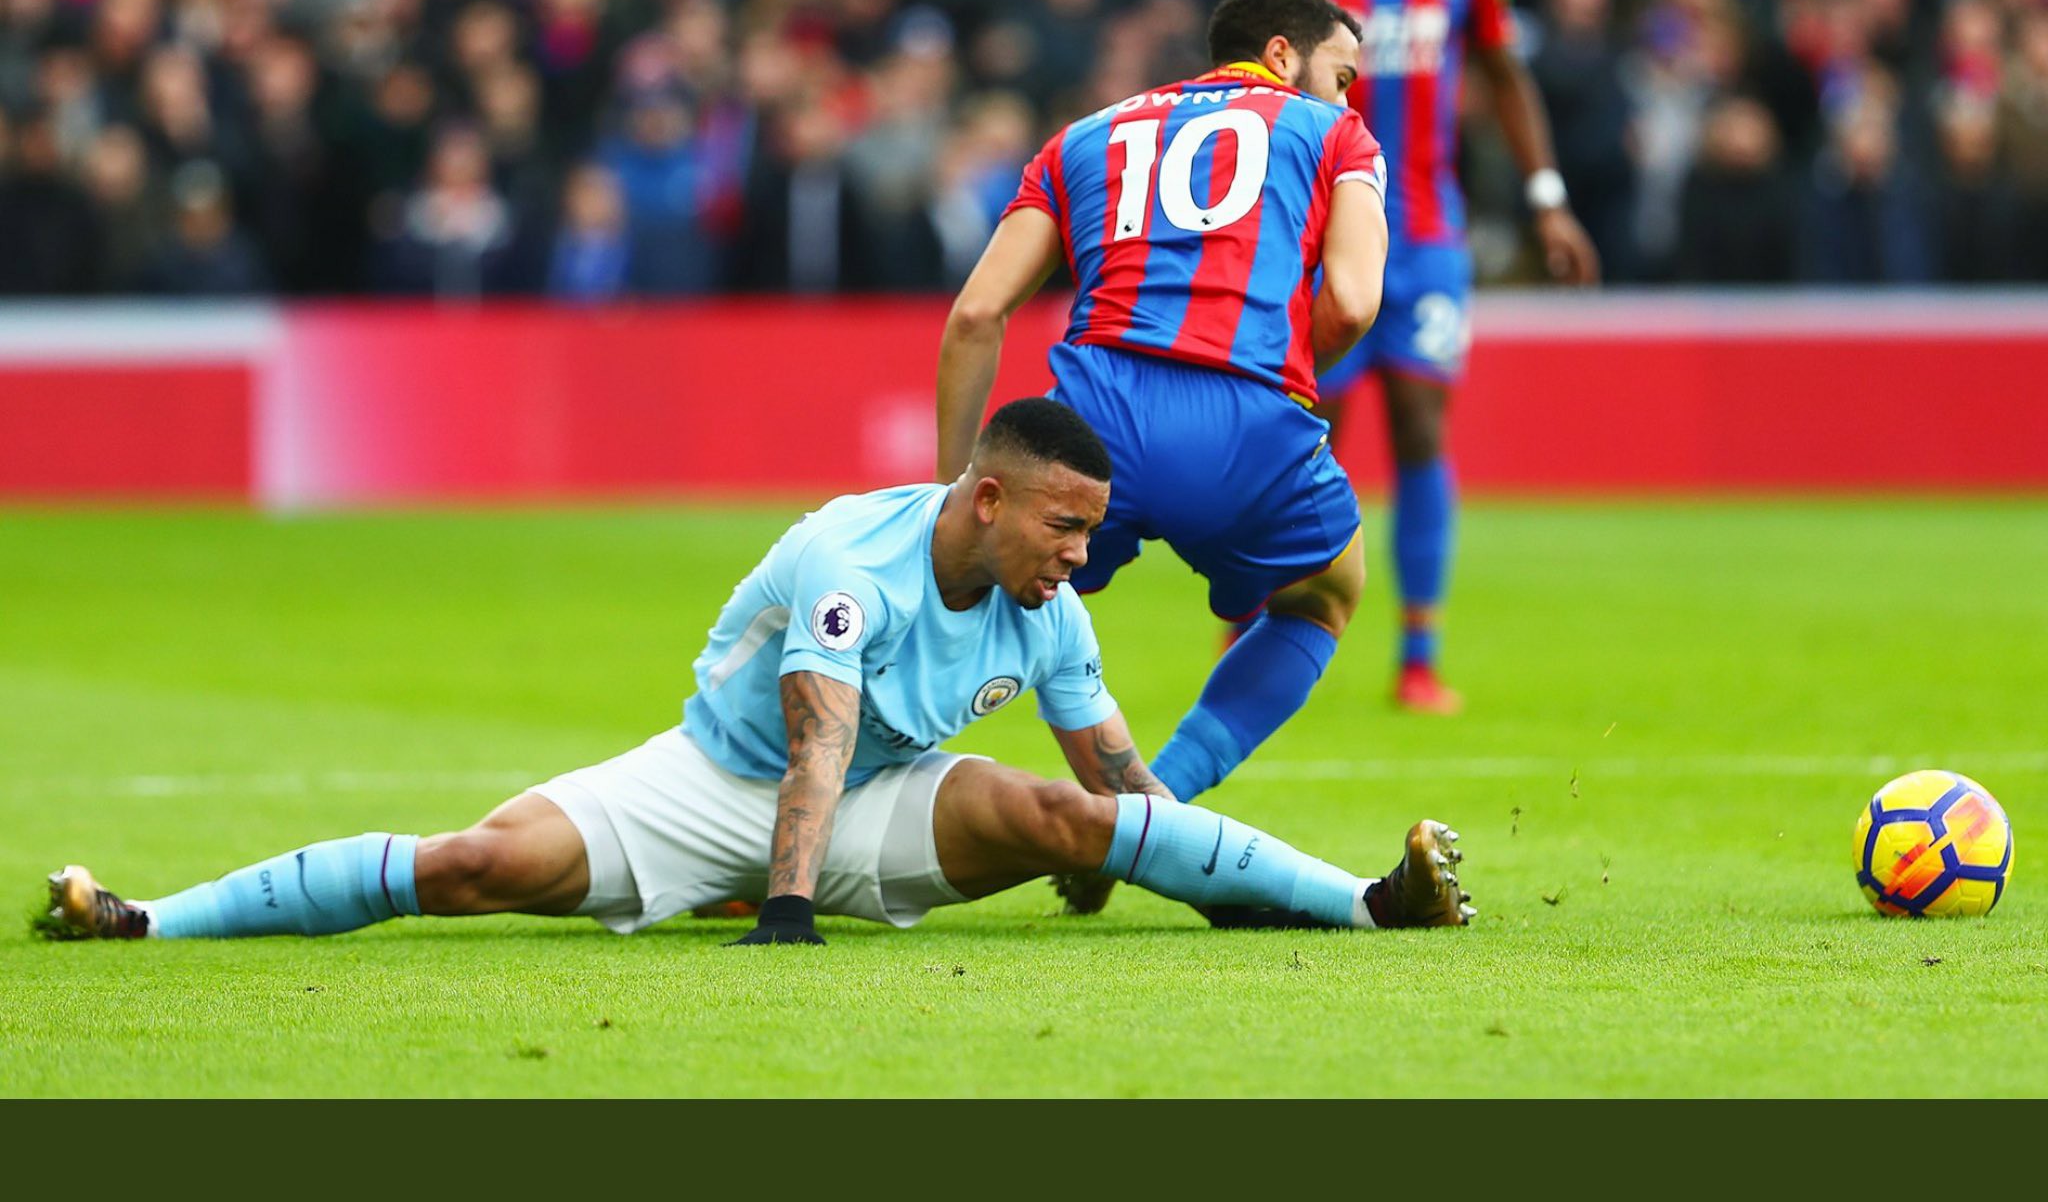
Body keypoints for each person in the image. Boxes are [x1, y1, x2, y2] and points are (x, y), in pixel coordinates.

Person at [39, 399, 1472, 947]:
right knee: (467, 865)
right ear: (983, 499)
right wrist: (784, 914)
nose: (1081, 556)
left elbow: (1124, 787)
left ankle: (1366, 903)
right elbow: (812, 748)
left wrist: (1179, 871)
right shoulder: (853, 561)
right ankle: (152, 921)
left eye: (1090, 533)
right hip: (716, 786)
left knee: (1063, 816)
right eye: (1063, 525)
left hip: (892, 800)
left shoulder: (1052, 601)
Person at [936, 0, 1388, 845]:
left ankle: (782, 815)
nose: (1347, 94)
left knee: (959, 598)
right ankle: (1157, 812)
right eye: (1342, 73)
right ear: (1283, 57)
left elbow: (975, 316)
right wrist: (1283, 374)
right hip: (1249, 419)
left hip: (1091, 424)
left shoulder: (1080, 138)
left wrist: (950, 489)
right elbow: (1357, 302)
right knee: (1324, 595)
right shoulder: (1336, 135)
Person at [1243, 0, 1601, 716]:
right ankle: (1263, 618)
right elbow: (1239, 87)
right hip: (1314, 234)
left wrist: (1546, 199)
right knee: (1305, 430)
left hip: (1428, 234)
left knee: (1421, 429)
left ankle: (1417, 655)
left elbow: (1501, 70)